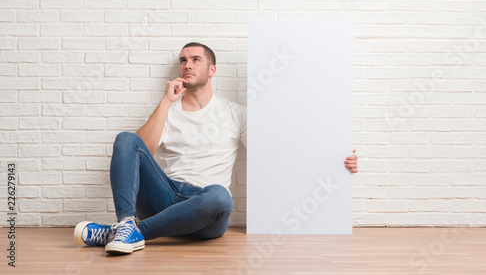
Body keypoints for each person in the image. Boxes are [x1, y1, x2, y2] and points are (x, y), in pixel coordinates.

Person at [74, 42, 359, 255]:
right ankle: (126, 224)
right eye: (183, 60)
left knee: (220, 195)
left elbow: (278, 152)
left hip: (206, 210)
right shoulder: (168, 112)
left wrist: (334, 159)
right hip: (165, 198)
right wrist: (165, 102)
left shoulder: (234, 113)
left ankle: (125, 233)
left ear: (211, 70)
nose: (187, 64)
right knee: (126, 138)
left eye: (196, 59)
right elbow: (140, 151)